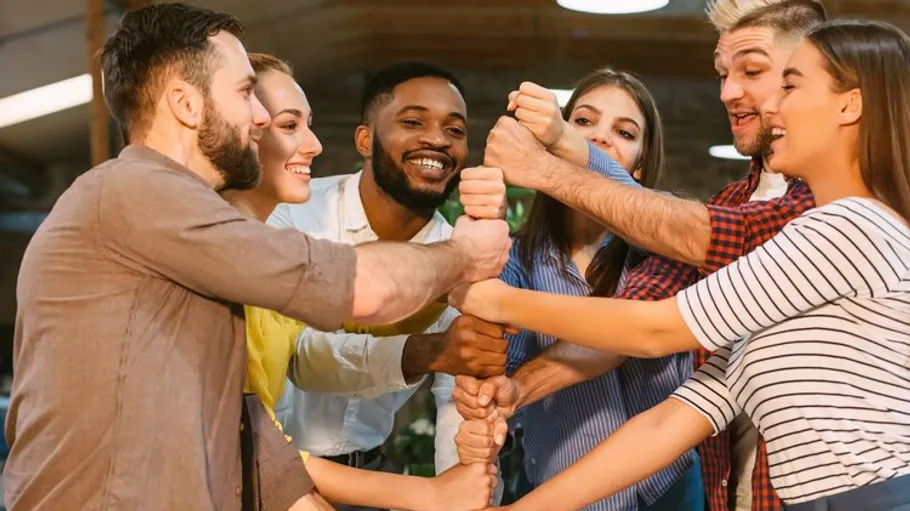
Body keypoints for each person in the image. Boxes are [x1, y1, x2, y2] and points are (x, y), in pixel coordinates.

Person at [2, 4, 510, 510]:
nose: (261, 117)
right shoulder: (136, 192)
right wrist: (466, 252)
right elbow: (364, 289)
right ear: (186, 103)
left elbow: (254, 435)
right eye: (246, 93)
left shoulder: (193, 240)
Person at [452, 17, 910, 511]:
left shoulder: (849, 227)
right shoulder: (803, 239)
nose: (771, 105)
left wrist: (489, 296)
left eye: (790, 85)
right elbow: (670, 422)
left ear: (851, 104)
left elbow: (656, 328)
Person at [227, 52, 498, 511]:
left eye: (454, 130)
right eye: (414, 122)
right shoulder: (285, 215)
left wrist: (464, 491)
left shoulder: (458, 255)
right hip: (269, 477)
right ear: (365, 140)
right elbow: (298, 361)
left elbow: (458, 400)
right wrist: (426, 351)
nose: (437, 139)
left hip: (362, 477)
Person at [482, 66, 703, 511]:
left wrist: (570, 146)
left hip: (670, 491)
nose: (599, 139)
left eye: (623, 132)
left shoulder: (669, 244)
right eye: (583, 122)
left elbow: (635, 335)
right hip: (559, 491)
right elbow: (500, 360)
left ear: (639, 166)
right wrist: (483, 222)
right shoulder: (517, 256)